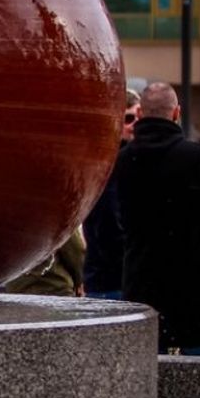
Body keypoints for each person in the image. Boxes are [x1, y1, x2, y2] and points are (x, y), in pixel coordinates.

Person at [115, 82, 200, 355]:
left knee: (147, 367)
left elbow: (118, 217)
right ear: (176, 113)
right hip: (194, 287)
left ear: (140, 113)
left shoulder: (124, 160)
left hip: (142, 282)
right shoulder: (194, 156)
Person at [82, 89, 141, 300]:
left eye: (139, 119)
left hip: (108, 277)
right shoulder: (111, 162)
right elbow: (108, 222)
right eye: (129, 119)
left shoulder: (124, 158)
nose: (134, 125)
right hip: (111, 279)